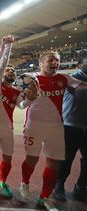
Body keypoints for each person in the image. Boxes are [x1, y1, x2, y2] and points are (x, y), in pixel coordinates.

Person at [20, 52, 87, 210]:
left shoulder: (64, 79)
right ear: (41, 63)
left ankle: (45, 197)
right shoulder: (30, 79)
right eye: (51, 60)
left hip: (56, 127)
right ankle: (25, 182)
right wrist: (28, 99)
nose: (55, 63)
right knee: (32, 159)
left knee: (54, 164)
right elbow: (21, 104)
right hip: (34, 126)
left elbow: (82, 86)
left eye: (57, 60)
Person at [0, 36, 37, 198]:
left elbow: (21, 106)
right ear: (2, 74)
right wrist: (7, 46)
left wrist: (30, 99)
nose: (11, 71)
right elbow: (3, 63)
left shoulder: (16, 92)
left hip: (7, 129)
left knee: (8, 158)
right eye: (8, 70)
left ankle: (2, 181)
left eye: (13, 71)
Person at [54, 56, 87, 201]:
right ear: (80, 65)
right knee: (66, 159)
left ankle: (80, 187)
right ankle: (59, 185)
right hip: (71, 126)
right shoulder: (72, 78)